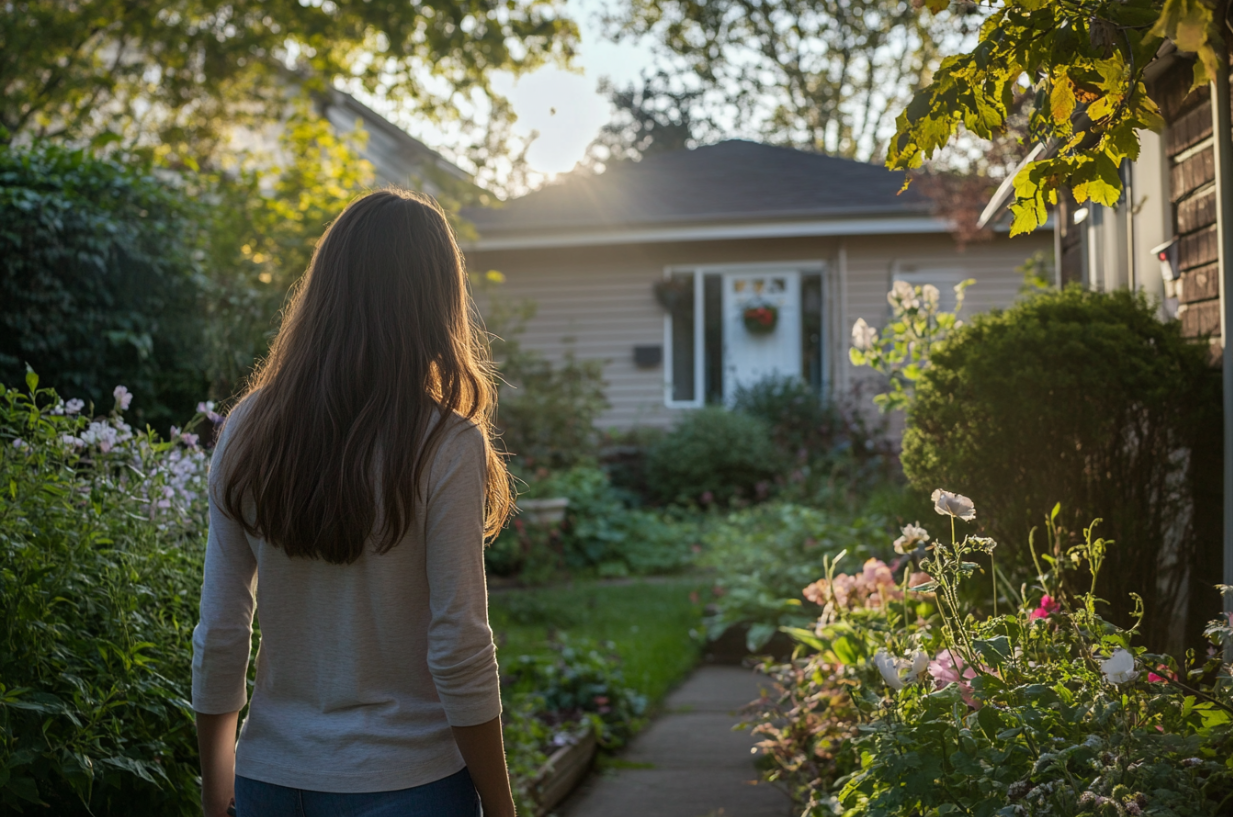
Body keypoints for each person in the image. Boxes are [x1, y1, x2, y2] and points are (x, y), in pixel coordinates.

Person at [192, 190, 516, 817]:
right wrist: (501, 808)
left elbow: (222, 631)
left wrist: (216, 794)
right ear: (434, 300)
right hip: (409, 783)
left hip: (270, 782)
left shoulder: (247, 428)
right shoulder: (446, 441)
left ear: (326, 289)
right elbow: (460, 641)